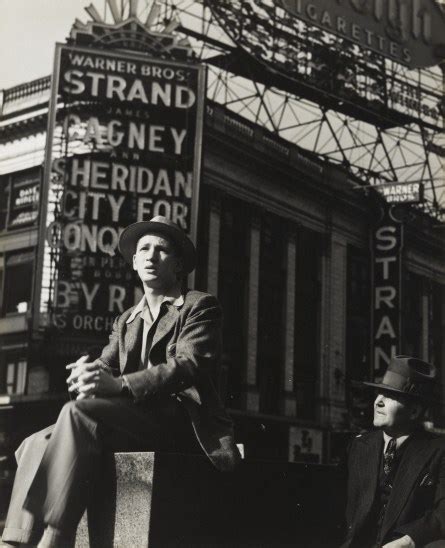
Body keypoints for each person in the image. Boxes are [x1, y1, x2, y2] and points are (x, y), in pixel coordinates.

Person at [2, 215, 241, 548]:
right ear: (134, 262)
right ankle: (17, 540)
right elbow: (105, 363)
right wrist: (85, 374)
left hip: (180, 422)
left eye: (161, 249)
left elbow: (187, 367)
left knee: (76, 413)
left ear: (178, 265)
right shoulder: (127, 319)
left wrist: (118, 385)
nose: (151, 255)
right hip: (134, 420)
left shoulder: (198, 306)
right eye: (144, 248)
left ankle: (57, 537)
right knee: (36, 440)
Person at [342, 355, 445, 548]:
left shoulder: (438, 450)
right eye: (379, 393)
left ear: (414, 411)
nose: (378, 402)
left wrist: (409, 540)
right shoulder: (359, 446)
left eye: (390, 395)